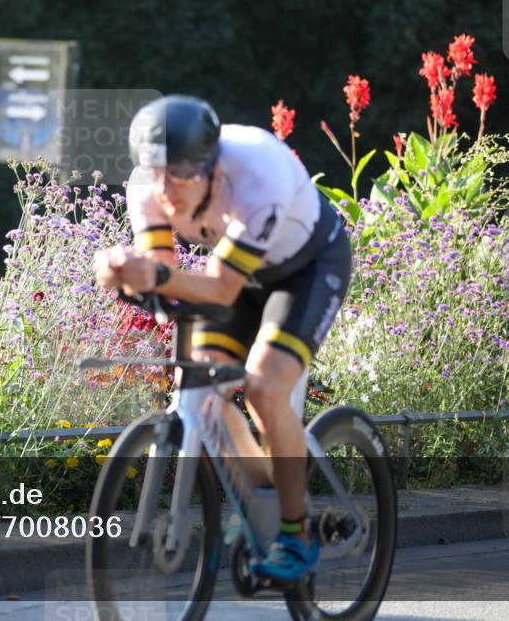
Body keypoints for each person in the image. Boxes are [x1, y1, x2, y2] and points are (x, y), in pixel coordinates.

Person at [93, 95, 351, 583]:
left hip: (308, 269)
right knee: (204, 393)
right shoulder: (147, 188)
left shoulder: (256, 174)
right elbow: (163, 272)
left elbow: (220, 290)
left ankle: (296, 533)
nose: (167, 190)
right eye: (158, 173)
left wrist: (154, 276)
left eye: (181, 175)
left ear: (212, 166)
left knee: (264, 388)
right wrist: (118, 270)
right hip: (238, 274)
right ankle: (267, 501)